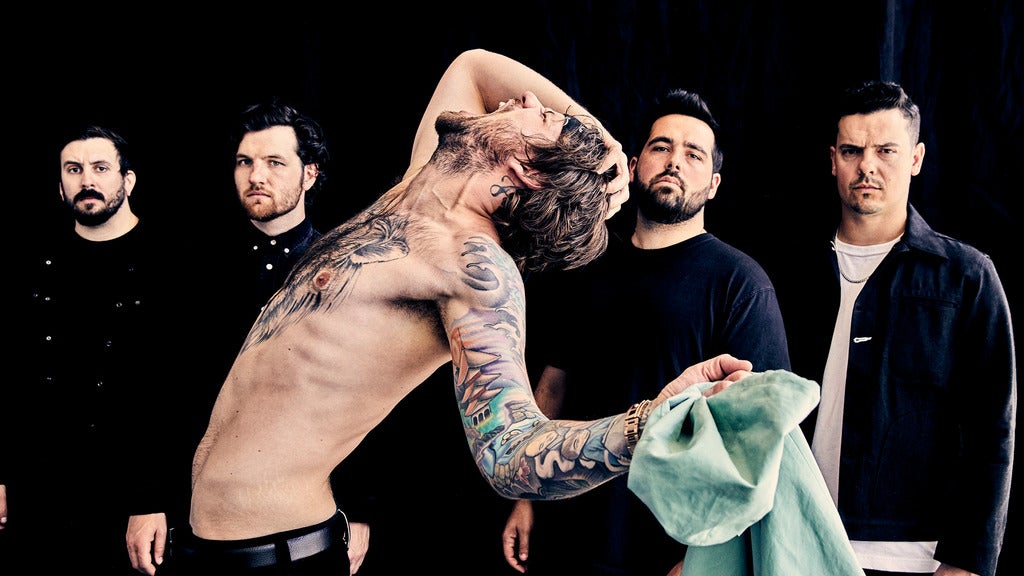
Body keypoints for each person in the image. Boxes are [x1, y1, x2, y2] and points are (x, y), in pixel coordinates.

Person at [158, 48, 753, 575]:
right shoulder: (419, 188)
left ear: (524, 169)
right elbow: (473, 65)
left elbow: (511, 453)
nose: (526, 98)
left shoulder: (475, 268)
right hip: (202, 543)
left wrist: (645, 423)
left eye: (542, 116)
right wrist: (606, 144)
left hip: (276, 555)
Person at [500, 88, 792, 576]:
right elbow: (552, 386)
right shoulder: (585, 263)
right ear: (633, 166)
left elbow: (761, 438)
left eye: (693, 154)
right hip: (567, 532)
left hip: (667, 548)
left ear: (714, 184)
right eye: (661, 146)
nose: (675, 160)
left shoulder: (740, 283)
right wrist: (525, 496)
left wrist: (702, 555)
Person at [774, 80, 1015, 576]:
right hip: (793, 538)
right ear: (833, 160)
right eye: (852, 151)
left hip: (914, 553)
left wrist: (968, 561)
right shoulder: (788, 272)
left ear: (916, 158)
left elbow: (993, 427)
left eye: (886, 150)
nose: (867, 166)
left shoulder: (965, 276)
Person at [125, 100, 375, 575]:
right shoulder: (193, 267)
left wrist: (360, 506)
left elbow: (364, 393)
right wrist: (148, 498)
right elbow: (158, 384)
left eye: (274, 162)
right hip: (201, 524)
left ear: (309, 174)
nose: (256, 176)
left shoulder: (345, 270)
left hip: (307, 527)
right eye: (245, 162)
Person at [0, 124, 166, 575]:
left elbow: (178, 392)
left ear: (128, 180)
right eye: (73, 170)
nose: (86, 180)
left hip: (130, 500)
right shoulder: (34, 262)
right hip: (40, 492)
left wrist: (152, 497)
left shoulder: (170, 261)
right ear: (60, 186)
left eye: (100, 168)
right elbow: (9, 376)